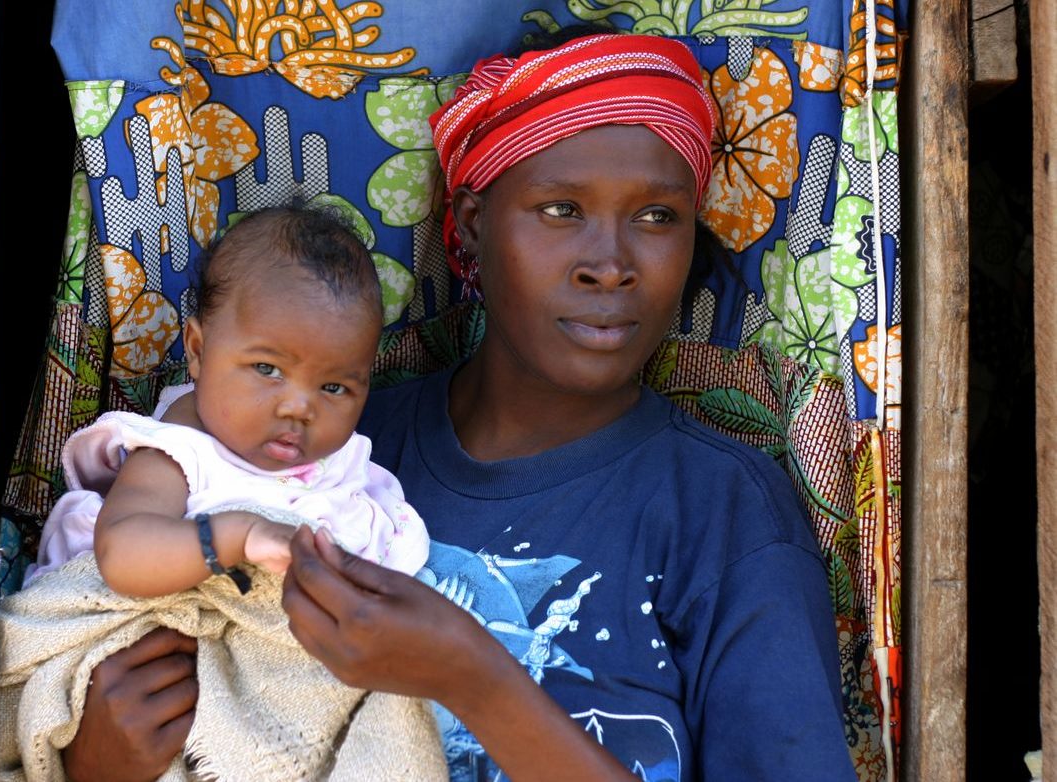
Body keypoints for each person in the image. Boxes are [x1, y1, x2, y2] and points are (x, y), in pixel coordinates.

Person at [63, 31, 857, 781]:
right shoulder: (325, 450)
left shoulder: (722, 510)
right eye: (561, 210)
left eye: (658, 217)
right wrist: (97, 762)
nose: (611, 265)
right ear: (473, 227)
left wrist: (475, 680)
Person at [25, 204, 430, 593]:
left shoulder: (339, 465)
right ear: (198, 352)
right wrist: (240, 535)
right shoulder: (175, 455)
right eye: (268, 370)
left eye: (334, 388)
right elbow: (121, 552)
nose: (300, 408)